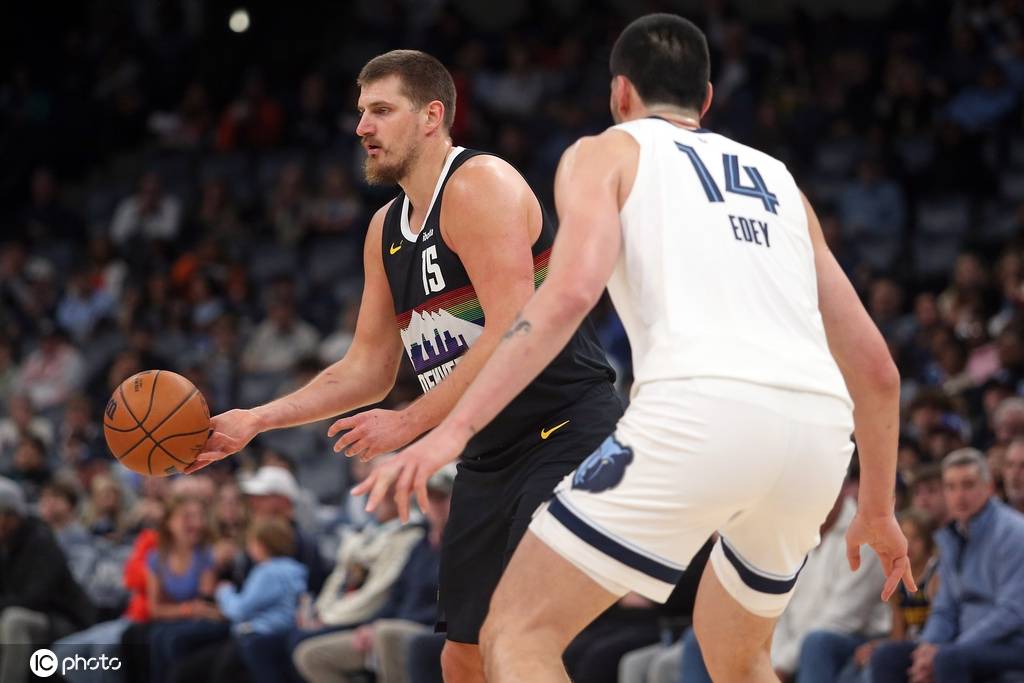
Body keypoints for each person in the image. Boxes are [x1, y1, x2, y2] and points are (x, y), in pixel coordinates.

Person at [385, 13, 914, 682]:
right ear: (708, 99)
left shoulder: (605, 152)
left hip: (698, 411)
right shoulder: (780, 182)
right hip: (816, 438)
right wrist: (877, 509)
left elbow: (567, 297)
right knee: (736, 652)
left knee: (516, 632)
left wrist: (453, 429)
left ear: (620, 92)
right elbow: (877, 369)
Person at [188, 48, 621, 680]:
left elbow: (513, 332)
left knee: (518, 636)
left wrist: (410, 422)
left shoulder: (480, 185)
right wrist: (257, 419)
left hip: (563, 432)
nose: (362, 126)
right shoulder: (385, 229)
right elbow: (367, 368)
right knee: (462, 657)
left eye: (382, 110)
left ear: (431, 117)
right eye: (362, 111)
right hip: (487, 455)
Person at [869, 449, 1024, 683]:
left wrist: (951, 649)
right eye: (951, 487)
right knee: (887, 656)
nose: (959, 496)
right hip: (960, 644)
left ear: (989, 487)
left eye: (968, 485)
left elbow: (1012, 612)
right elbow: (944, 608)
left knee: (948, 659)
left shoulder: (1014, 533)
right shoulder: (949, 536)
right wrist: (927, 648)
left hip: (1010, 644)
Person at [0, 476, 95, 683]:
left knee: (14, 620)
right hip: (34, 615)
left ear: (11, 516)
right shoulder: (6, 545)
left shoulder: (41, 541)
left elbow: (35, 598)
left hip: (64, 619)